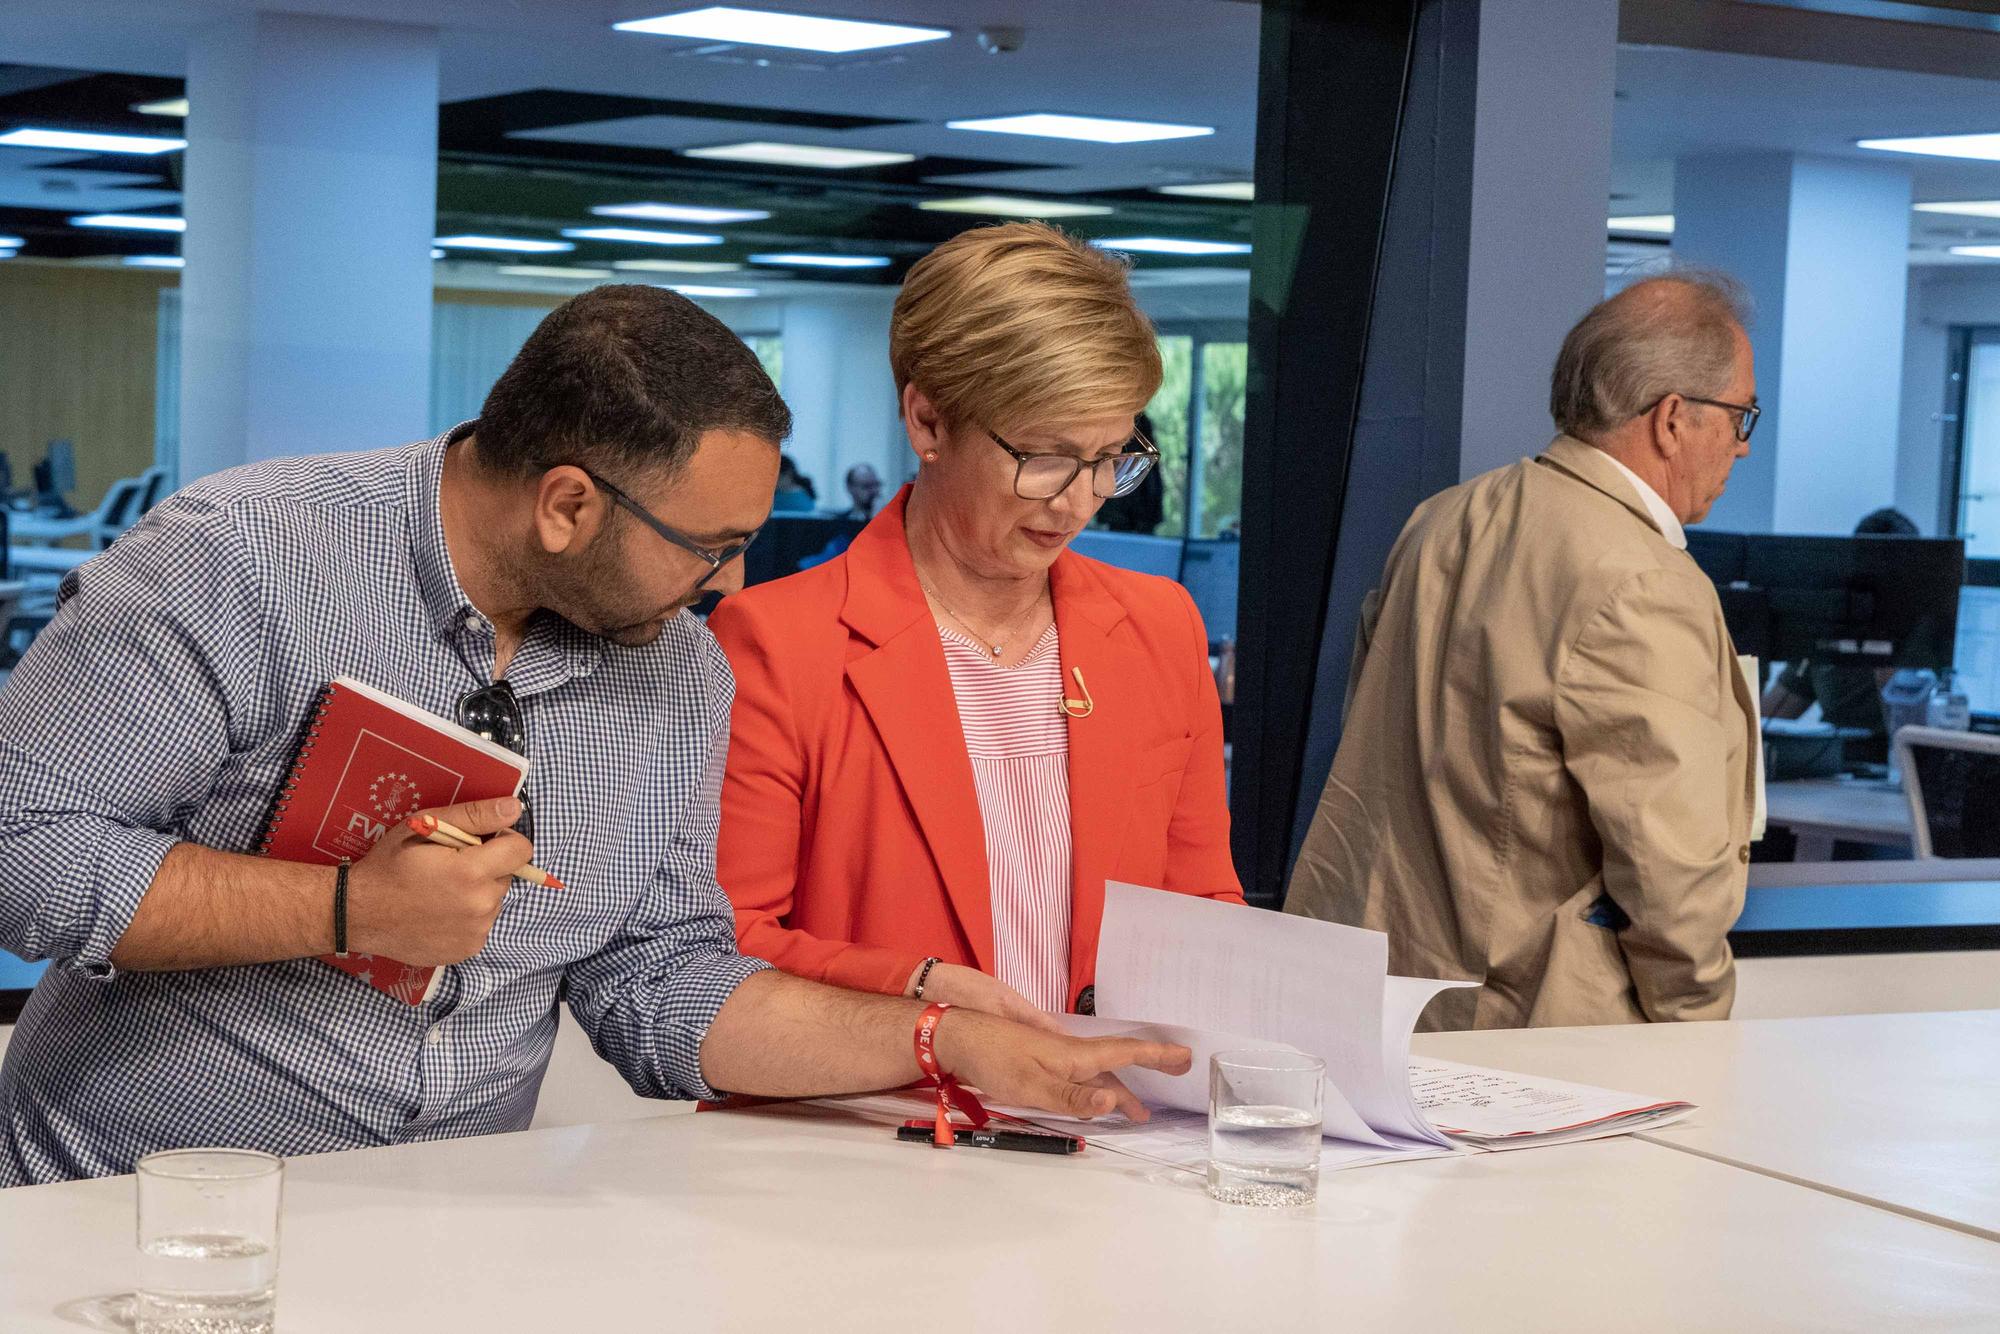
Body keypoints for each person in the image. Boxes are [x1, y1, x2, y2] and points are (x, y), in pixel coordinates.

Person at [0, 284, 1186, 1186]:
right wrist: (344, 911)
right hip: (140, 1203)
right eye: (707, 546)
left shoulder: (675, 673)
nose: (727, 588)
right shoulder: (246, 560)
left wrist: (942, 1041)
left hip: (442, 1224)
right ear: (568, 503)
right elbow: (19, 845)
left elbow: (664, 983)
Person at [710, 223, 1242, 1026]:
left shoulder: (1159, 625)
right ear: (927, 423)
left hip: (1113, 1128)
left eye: (1109, 457)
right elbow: (722, 946)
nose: (1077, 499)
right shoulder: (778, 643)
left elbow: (1203, 906)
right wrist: (922, 994)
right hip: (874, 1126)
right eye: (1045, 455)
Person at [1287, 272, 1760, 1030]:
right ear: (1673, 419)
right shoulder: (1644, 581)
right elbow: (1674, 875)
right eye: (1741, 417)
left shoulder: (1440, 522)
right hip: (1539, 1041)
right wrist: (1698, 1030)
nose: (1739, 448)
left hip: (1384, 999)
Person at [1761, 506, 1919, 766]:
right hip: (1834, 764)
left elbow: (1913, 736)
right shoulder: (1831, 630)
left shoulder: (1927, 636)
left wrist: (1887, 657)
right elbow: (1774, 716)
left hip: (1893, 765)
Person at [1094, 412, 1166, 534]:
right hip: (1122, 499)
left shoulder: (1138, 422)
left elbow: (1152, 473)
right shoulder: (1121, 420)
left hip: (1139, 499)